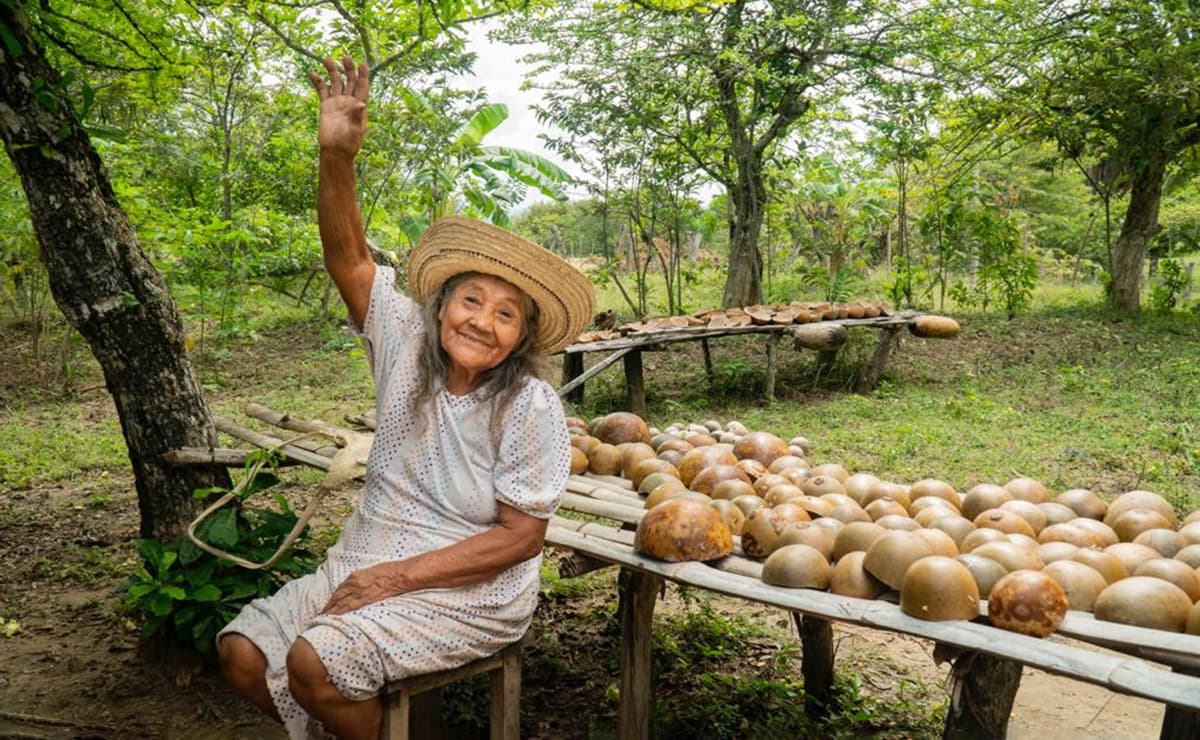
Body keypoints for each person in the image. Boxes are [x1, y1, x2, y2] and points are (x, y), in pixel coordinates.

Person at [216, 56, 594, 740]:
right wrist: (337, 157)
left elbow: (521, 537)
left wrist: (396, 580)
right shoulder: (404, 347)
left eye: (507, 314)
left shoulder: (529, 407)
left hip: (473, 591)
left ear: (522, 337)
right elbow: (350, 260)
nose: (483, 320)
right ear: (442, 306)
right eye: (471, 300)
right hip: (366, 556)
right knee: (242, 655)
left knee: (315, 663)